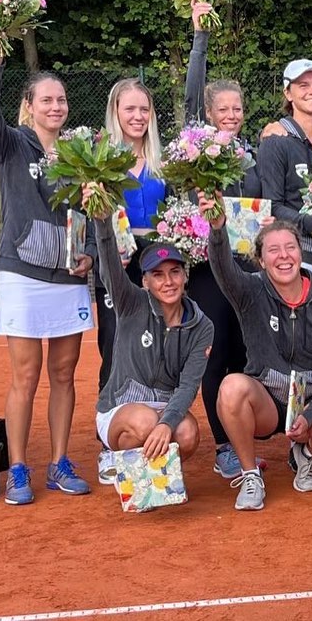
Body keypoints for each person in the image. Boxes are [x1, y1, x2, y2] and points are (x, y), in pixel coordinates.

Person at [0, 29, 95, 505]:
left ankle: (60, 462)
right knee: (25, 376)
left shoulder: (78, 154)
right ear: (29, 106)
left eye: (61, 100)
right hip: (22, 274)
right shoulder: (10, 144)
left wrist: (89, 251)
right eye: (46, 99)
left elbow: (89, 211)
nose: (55, 106)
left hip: (68, 277)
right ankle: (19, 468)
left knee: (64, 374)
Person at [201, 194, 312, 511]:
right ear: (260, 260)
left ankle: (306, 454)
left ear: (301, 253)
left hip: (310, 400)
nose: (283, 256)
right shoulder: (249, 291)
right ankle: (250, 475)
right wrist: (217, 230)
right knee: (231, 387)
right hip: (267, 401)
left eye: (290, 248)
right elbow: (223, 270)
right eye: (273, 250)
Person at [183, 0, 267, 481]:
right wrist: (200, 38)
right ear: (208, 113)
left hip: (247, 270)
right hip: (208, 271)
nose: (231, 115)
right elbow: (190, 100)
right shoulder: (198, 147)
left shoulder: (251, 154)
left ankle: (239, 439)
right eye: (222, 109)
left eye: (237, 108)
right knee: (214, 352)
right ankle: (222, 446)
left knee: (242, 352)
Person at [87, 185, 213, 469]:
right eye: (158, 275)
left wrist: (167, 423)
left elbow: (189, 385)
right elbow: (110, 269)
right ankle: (126, 467)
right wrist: (102, 223)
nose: (168, 282)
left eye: (174, 272)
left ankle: (155, 480)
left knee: (187, 434)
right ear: (145, 281)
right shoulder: (131, 302)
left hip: (165, 406)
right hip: (122, 407)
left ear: (185, 276)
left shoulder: (201, 325)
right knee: (144, 423)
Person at [94, 76, 166, 483]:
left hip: (157, 264)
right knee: (114, 349)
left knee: (154, 349)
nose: (138, 116)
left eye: (144, 109)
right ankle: (109, 444)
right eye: (130, 109)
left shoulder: (163, 162)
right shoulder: (100, 161)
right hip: (116, 265)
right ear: (115, 112)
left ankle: (150, 431)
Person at [259, 59, 312, 283]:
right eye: (303, 85)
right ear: (288, 93)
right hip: (300, 260)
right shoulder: (275, 141)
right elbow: (273, 206)